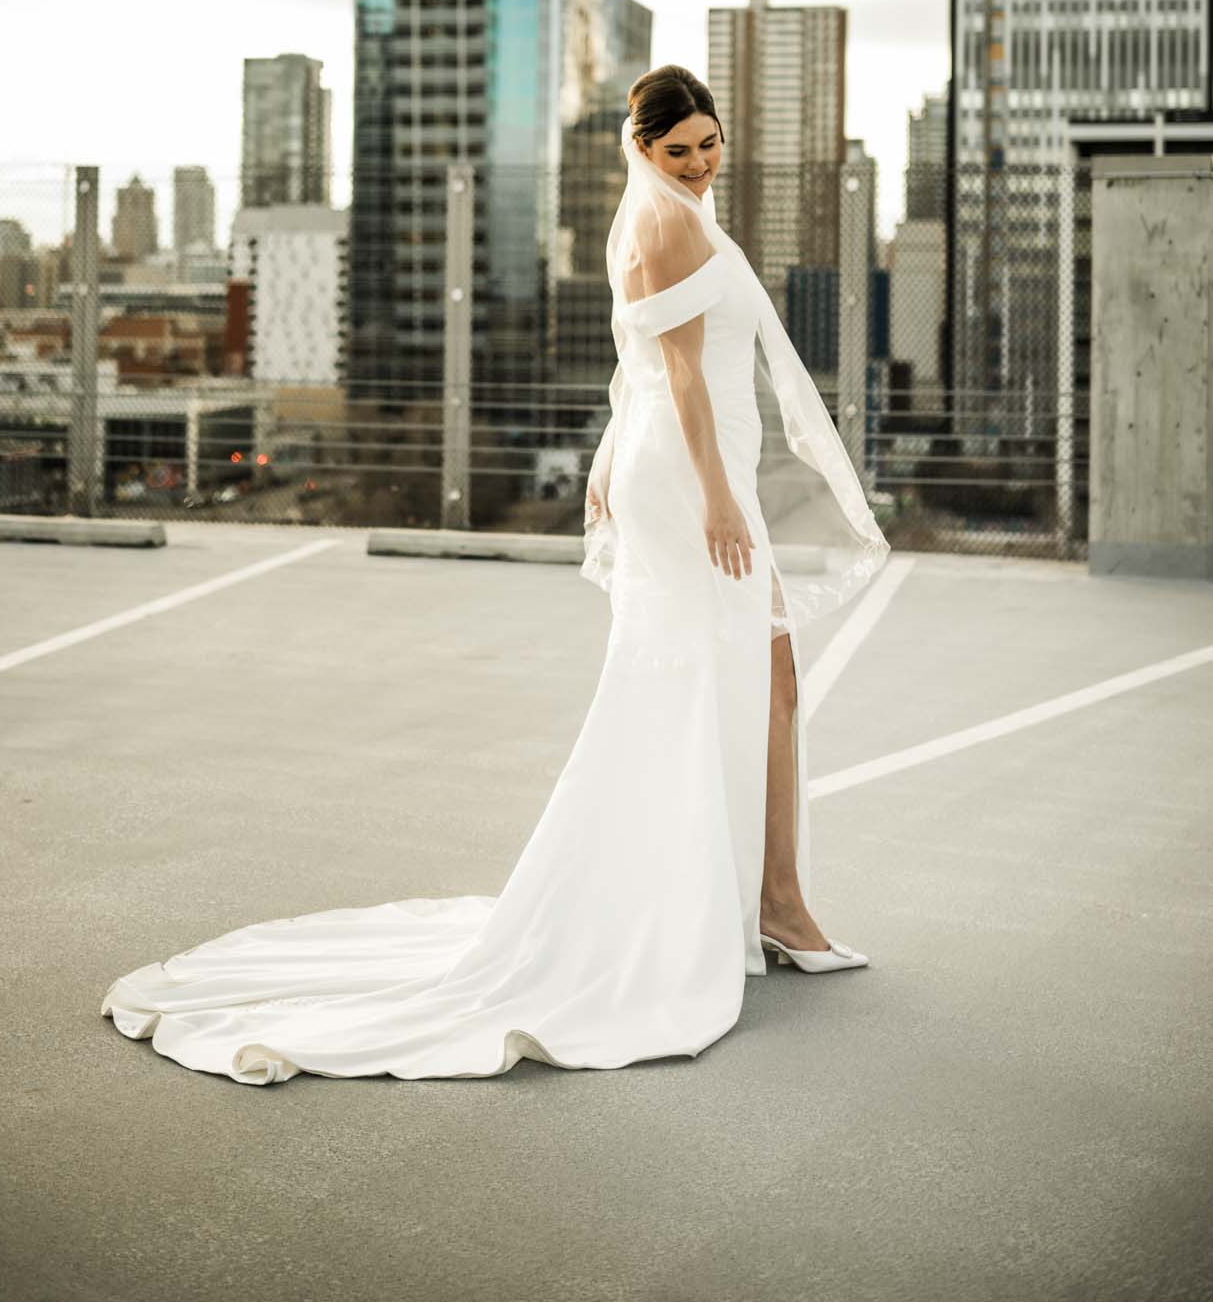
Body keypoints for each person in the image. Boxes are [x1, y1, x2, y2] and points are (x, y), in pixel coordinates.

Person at [101, 66, 890, 1084]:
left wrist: (614, 451)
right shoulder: (670, 225)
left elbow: (635, 366)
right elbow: (685, 374)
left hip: (678, 464)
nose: (700, 161)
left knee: (754, 676)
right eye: (679, 148)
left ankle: (770, 898)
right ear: (640, 148)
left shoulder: (659, 214)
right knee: (721, 680)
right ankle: (764, 903)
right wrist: (720, 500)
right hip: (696, 480)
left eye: (710, 142)